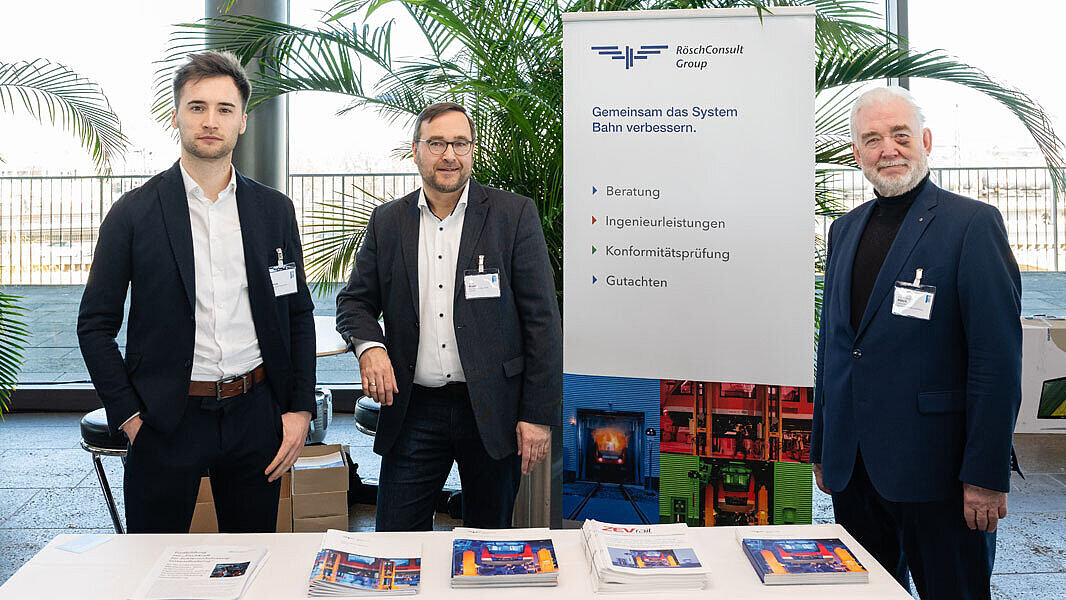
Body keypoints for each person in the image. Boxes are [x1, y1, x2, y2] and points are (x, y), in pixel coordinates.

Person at [77, 51, 316, 533]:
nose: (211, 121)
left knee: (251, 559)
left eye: (225, 109)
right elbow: (95, 325)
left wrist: (299, 409)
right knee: (153, 562)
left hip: (255, 414)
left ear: (242, 122)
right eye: (197, 107)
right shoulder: (133, 212)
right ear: (176, 116)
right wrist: (129, 416)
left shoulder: (274, 210)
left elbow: (297, 314)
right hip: (165, 420)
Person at [811, 86, 1021, 599]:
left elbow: (996, 362)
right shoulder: (844, 231)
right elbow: (834, 349)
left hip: (940, 476)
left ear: (925, 141)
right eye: (872, 139)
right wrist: (823, 446)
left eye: (900, 135)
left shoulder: (972, 225)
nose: (888, 149)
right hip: (855, 470)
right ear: (857, 152)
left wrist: (986, 474)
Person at [336, 102, 562, 531]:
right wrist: (370, 347)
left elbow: (543, 322)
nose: (449, 155)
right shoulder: (388, 222)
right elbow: (354, 302)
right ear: (416, 150)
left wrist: (536, 414)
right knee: (395, 541)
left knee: (488, 542)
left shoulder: (513, 215)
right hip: (413, 409)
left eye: (460, 143)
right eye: (437, 143)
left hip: (493, 409)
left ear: (472, 150)